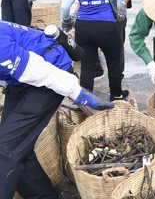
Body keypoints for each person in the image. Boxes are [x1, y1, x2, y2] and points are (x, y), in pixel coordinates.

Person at [0, 20, 113, 198]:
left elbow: (41, 72)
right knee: (16, 144)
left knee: (6, 148)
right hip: (20, 78)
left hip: (52, 72)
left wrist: (77, 93)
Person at [60, 0, 154, 101]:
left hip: (83, 28)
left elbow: (65, 7)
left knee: (88, 65)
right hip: (107, 28)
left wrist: (66, 21)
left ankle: (85, 98)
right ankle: (116, 95)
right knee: (114, 62)